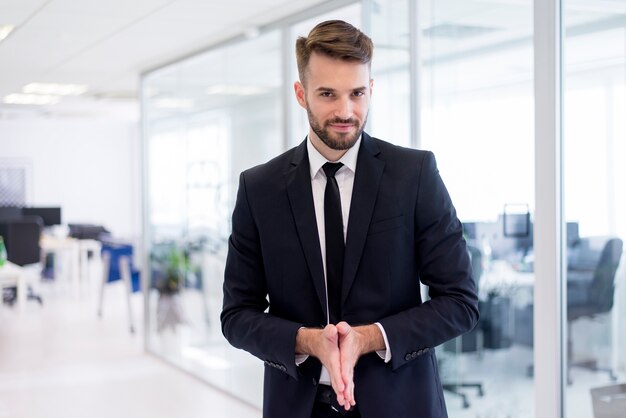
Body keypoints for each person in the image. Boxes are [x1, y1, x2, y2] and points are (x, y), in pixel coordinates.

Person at [221, 20, 479, 418]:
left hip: (401, 404)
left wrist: (369, 337)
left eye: (357, 93)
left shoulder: (414, 174)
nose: (345, 111)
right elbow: (237, 316)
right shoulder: (259, 188)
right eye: (327, 94)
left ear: (371, 89)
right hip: (299, 407)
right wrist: (306, 341)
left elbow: (460, 301)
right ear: (301, 93)